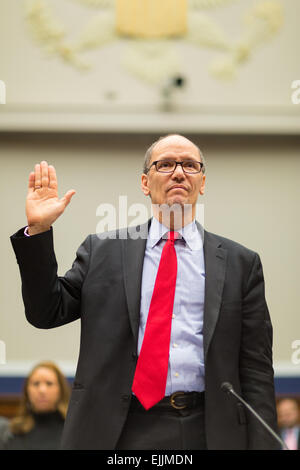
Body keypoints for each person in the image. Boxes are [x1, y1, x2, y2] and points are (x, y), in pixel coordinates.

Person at [10, 134, 279, 450]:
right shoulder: (102, 252)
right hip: (118, 429)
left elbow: (256, 370)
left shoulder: (241, 263)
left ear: (202, 182)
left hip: (208, 429)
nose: (178, 173)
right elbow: (46, 312)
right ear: (144, 182)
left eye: (190, 166)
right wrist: (39, 231)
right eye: (165, 164)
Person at [3, 361, 70, 450]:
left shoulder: (72, 432)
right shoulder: (13, 433)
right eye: (36, 384)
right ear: (27, 391)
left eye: (49, 383)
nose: (42, 390)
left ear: (61, 390)